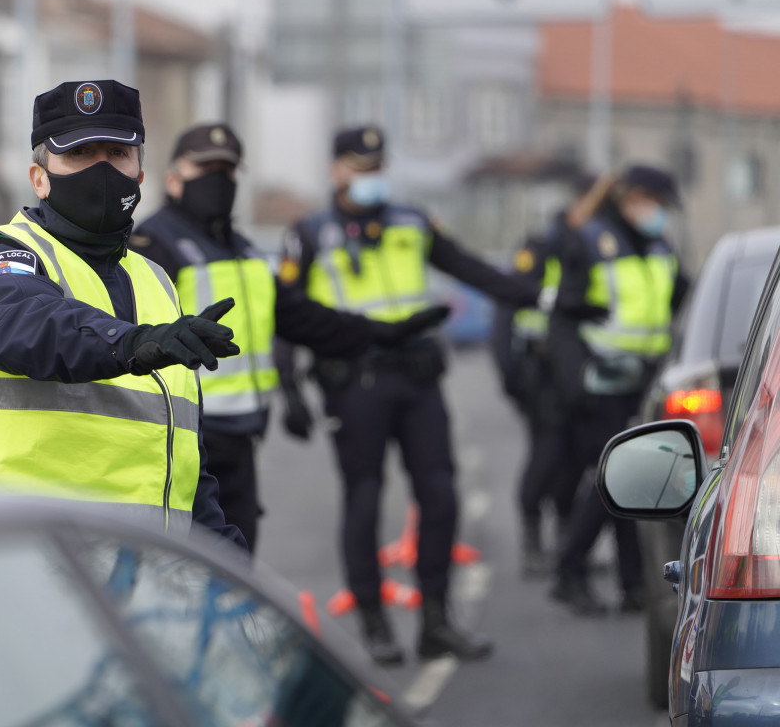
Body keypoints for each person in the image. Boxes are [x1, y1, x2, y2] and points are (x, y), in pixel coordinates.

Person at [0, 79, 245, 551]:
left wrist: (229, 572)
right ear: (39, 177)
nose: (101, 171)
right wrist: (129, 344)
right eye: (80, 155)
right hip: (17, 579)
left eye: (117, 155)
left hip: (143, 589)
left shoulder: (157, 282)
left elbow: (183, 463)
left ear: (140, 173)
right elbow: (24, 323)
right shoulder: (1, 258)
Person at [276, 126, 540, 664]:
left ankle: (437, 621)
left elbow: (472, 269)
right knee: (365, 500)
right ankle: (375, 624)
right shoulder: (309, 233)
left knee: (441, 496)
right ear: (336, 170)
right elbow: (285, 316)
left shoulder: (411, 223)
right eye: (360, 166)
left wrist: (544, 298)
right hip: (355, 383)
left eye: (377, 167)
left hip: (417, 379)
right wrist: (289, 387)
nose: (371, 177)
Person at [131, 123, 451, 553]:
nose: (218, 180)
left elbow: (303, 319)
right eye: (205, 168)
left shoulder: (241, 249)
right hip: (184, 438)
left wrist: (384, 333)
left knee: (237, 568)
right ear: (173, 177)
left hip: (241, 438)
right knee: (189, 572)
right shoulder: (151, 245)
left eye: (227, 171)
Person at [547, 164, 689, 615]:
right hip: (602, 381)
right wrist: (577, 380)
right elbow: (564, 317)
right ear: (635, 199)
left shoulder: (657, 246)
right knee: (619, 479)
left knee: (637, 481)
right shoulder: (592, 242)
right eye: (658, 205)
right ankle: (569, 571)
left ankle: (631, 584)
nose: (660, 214)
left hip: (644, 379)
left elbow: (679, 294)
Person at [490, 173, 594, 576]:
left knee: (574, 458)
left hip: (575, 370)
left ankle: (566, 540)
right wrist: (509, 372)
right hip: (540, 373)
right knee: (547, 455)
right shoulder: (539, 250)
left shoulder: (588, 248)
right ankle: (533, 541)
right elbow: (506, 310)